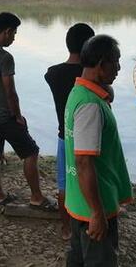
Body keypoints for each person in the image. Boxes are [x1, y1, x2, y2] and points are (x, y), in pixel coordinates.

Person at [65, 35, 132, 267]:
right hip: (93, 205)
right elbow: (83, 161)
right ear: (101, 64)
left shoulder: (79, 93)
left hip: (79, 202)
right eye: (115, 61)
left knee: (78, 258)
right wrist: (97, 213)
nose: (119, 68)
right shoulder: (90, 106)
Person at [0, 12, 55, 210]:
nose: (14, 38)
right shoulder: (5, 57)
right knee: (31, 152)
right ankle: (37, 197)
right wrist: (18, 116)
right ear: (6, 32)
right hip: (4, 117)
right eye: (14, 34)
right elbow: (10, 91)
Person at [45, 23, 95, 240]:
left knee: (65, 184)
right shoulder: (92, 77)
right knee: (89, 179)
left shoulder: (53, 74)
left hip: (63, 137)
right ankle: (91, 220)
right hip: (87, 140)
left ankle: (66, 229)